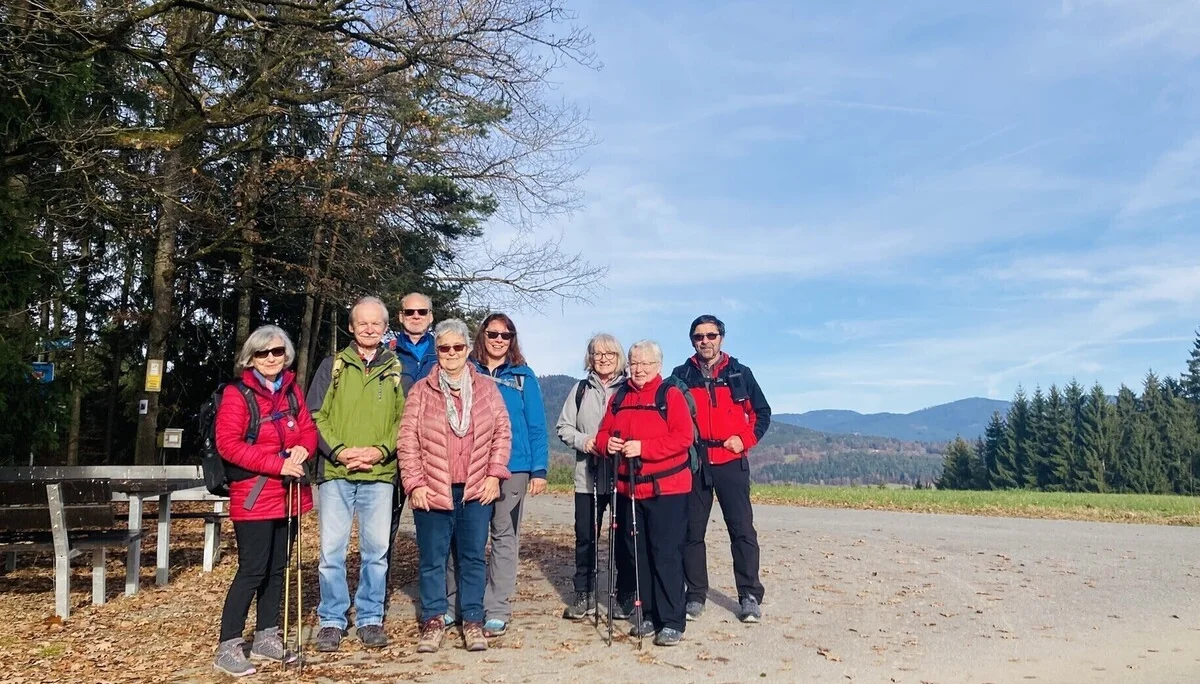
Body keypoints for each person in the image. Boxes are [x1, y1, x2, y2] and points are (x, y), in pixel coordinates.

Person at [398, 319, 512, 653]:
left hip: (476, 487)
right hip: (433, 487)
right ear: (437, 351)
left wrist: (494, 475)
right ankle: (433, 619)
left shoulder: (487, 389)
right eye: (444, 348)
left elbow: (502, 434)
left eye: (457, 347)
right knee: (433, 558)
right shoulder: (422, 390)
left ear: (467, 349)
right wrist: (414, 483)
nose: (451, 353)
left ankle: (473, 620)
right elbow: (407, 441)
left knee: (473, 557)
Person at [213, 326, 317, 677]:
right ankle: (228, 645)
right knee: (252, 569)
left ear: (286, 355)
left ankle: (266, 635)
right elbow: (228, 444)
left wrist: (305, 448)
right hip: (254, 495)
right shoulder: (236, 394)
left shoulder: (291, 390)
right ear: (251, 357)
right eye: (263, 353)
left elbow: (307, 429)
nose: (271, 358)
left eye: (277, 352)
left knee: (277, 569)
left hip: (288, 494)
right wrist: (279, 464)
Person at [306, 297, 407, 652]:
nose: (368, 329)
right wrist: (339, 451)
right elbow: (315, 414)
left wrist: (379, 451)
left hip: (380, 474)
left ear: (384, 328)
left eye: (375, 324)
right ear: (351, 327)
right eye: (362, 323)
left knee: (376, 551)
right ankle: (332, 620)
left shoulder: (396, 370)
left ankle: (369, 618)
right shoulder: (331, 366)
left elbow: (403, 421)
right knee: (331, 551)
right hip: (336, 471)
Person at [444, 313, 548, 636]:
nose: (499, 340)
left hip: (514, 467)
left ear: (512, 339)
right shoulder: (466, 370)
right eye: (493, 333)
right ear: (483, 335)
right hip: (472, 465)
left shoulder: (523, 376)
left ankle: (497, 607)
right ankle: (456, 605)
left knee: (504, 536)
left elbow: (536, 425)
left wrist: (539, 470)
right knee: (464, 537)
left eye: (506, 335)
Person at [670, 315, 771, 623]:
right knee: (691, 532)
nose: (706, 341)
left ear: (721, 338)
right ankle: (695, 595)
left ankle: (750, 594)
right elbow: (668, 413)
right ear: (692, 341)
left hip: (731, 462)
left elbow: (763, 413)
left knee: (742, 530)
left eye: (711, 335)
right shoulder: (680, 375)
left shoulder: (740, 372)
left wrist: (746, 439)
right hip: (696, 463)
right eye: (699, 336)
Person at [594, 340, 694, 647]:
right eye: (634, 364)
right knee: (639, 556)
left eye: (645, 364)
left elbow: (683, 437)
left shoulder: (670, 395)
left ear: (658, 367)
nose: (638, 369)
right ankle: (649, 614)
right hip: (628, 489)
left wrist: (645, 449)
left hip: (668, 490)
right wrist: (605, 444)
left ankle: (672, 620)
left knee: (666, 554)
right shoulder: (620, 396)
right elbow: (603, 432)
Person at [555, 333, 632, 619]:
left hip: (622, 478)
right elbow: (564, 427)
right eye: (597, 354)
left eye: (609, 354)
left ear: (619, 357)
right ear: (590, 358)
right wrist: (586, 441)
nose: (603, 359)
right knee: (585, 538)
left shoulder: (628, 390)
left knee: (624, 537)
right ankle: (584, 594)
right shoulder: (579, 390)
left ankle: (625, 593)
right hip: (587, 477)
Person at [380, 292, 439, 615]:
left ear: (431, 316)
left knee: (432, 532)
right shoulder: (386, 354)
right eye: (410, 312)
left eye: (422, 311)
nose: (416, 316)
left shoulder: (444, 351)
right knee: (382, 531)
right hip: (391, 453)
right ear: (400, 317)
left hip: (432, 455)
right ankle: (378, 600)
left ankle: (436, 600)